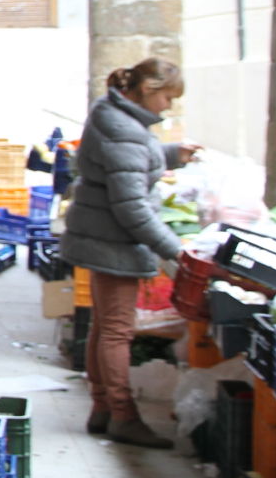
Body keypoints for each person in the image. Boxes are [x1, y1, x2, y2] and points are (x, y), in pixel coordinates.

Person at [59, 58, 197, 448]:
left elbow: (122, 167)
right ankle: (123, 414)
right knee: (117, 331)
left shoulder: (114, 114)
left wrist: (171, 155)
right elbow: (131, 205)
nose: (169, 106)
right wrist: (175, 252)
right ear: (149, 89)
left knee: (104, 326)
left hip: (100, 233)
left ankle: (102, 408)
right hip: (114, 240)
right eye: (168, 96)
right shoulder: (124, 128)